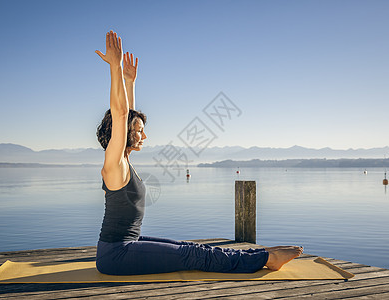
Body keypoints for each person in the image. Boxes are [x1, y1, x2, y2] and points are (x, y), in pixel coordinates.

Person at [94, 30, 303, 276]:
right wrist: (115, 68)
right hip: (116, 255)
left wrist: (130, 82)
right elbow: (121, 114)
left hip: (128, 245)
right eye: (139, 131)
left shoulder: (125, 161)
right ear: (124, 133)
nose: (144, 135)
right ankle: (266, 258)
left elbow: (125, 116)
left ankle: (257, 254)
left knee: (189, 247)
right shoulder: (114, 163)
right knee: (192, 255)